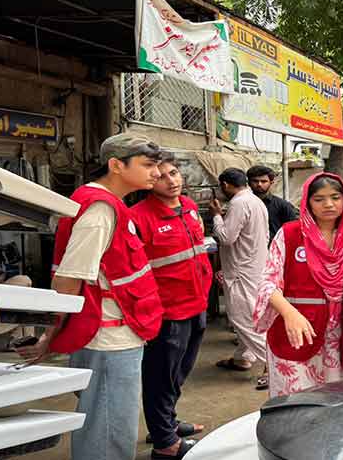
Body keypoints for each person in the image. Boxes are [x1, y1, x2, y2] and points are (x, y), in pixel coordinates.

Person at [16, 132, 165, 460]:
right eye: (148, 165)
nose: (157, 173)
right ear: (116, 165)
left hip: (116, 336)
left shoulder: (107, 205)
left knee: (106, 424)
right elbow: (69, 281)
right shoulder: (100, 211)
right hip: (109, 342)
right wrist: (50, 335)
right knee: (109, 433)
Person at [252, 173, 343, 397]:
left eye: (335, 197)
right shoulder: (290, 234)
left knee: (339, 400)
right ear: (307, 201)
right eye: (319, 199)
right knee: (295, 402)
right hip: (296, 334)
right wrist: (289, 313)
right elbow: (267, 282)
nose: (328, 204)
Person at [132, 153, 212, 459]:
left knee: (179, 372)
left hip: (197, 304)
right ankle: (165, 443)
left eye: (174, 173)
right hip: (167, 313)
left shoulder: (189, 207)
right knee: (160, 376)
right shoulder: (138, 217)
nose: (171, 180)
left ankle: (166, 423)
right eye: (162, 176)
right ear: (150, 181)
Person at [210, 168, 270, 389]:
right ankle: (243, 357)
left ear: (225, 185)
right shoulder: (255, 202)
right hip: (253, 266)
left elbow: (226, 237)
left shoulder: (239, 203)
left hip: (242, 270)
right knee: (249, 314)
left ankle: (271, 364)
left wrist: (216, 215)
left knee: (242, 318)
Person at [246, 165, 299, 243]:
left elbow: (293, 230)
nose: (259, 184)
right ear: (249, 183)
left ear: (271, 182)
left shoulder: (283, 205)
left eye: (263, 181)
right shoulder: (243, 204)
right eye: (255, 181)